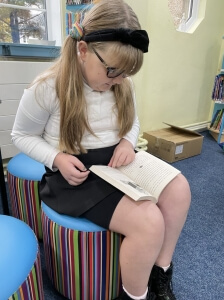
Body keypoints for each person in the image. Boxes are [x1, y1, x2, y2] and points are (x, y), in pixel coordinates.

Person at [11, 1, 191, 299]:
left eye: (125, 73)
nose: (119, 80)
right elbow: (21, 135)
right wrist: (56, 158)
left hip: (118, 162)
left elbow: (132, 123)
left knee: (180, 190)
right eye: (113, 71)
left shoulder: (121, 84)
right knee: (149, 222)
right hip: (74, 175)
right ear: (82, 50)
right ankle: (134, 295)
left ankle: (161, 273)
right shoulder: (47, 87)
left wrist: (127, 142)